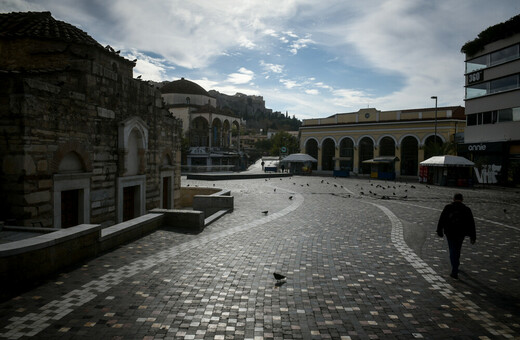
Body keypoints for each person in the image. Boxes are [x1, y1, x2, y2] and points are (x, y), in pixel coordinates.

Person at [437, 193, 476, 279]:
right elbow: (471, 223)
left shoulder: (448, 207)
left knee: (452, 249)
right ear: (462, 199)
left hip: (450, 232)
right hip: (461, 233)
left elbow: (442, 219)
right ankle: (456, 265)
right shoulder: (466, 209)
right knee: (458, 249)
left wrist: (439, 230)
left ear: (453, 199)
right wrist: (472, 236)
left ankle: (454, 269)